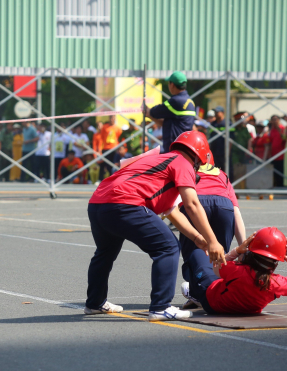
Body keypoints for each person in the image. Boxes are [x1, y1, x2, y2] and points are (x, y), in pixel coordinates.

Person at [85, 131, 226, 321]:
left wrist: (197, 238)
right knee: (168, 247)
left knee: (104, 253)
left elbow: (172, 211)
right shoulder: (183, 163)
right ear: (199, 156)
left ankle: (95, 303)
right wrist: (213, 240)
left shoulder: (161, 162)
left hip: (98, 204)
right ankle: (161, 307)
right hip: (125, 204)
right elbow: (192, 204)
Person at [181, 227, 287, 315]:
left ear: (251, 251)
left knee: (198, 253)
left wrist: (237, 250)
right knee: (227, 279)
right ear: (277, 260)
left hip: (212, 304)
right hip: (249, 311)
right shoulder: (276, 283)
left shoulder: (237, 269)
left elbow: (216, 267)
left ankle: (195, 295)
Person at [175, 160, 246, 308]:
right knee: (220, 256)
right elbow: (236, 212)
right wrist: (243, 246)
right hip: (224, 206)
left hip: (197, 201)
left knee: (194, 251)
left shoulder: (182, 169)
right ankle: (225, 290)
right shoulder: (221, 174)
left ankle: (197, 292)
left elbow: (173, 205)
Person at [145, 71, 195, 154]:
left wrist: (148, 111)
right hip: (184, 147)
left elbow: (155, 112)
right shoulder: (190, 101)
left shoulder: (175, 102)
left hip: (174, 149)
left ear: (172, 85)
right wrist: (149, 115)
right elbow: (167, 124)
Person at [268, 115, 285, 187]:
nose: (274, 121)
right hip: (273, 154)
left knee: (281, 171)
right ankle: (276, 185)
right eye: (273, 120)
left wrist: (279, 129)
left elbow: (284, 138)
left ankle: (281, 186)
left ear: (279, 120)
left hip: (281, 154)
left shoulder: (282, 128)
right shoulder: (271, 130)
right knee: (274, 172)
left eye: (275, 119)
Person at [209, 106, 228, 170]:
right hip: (214, 151)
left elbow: (230, 139)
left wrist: (228, 153)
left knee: (224, 169)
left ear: (222, 113)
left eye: (218, 112)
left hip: (223, 151)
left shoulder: (227, 123)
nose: (216, 114)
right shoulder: (213, 124)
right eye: (215, 112)